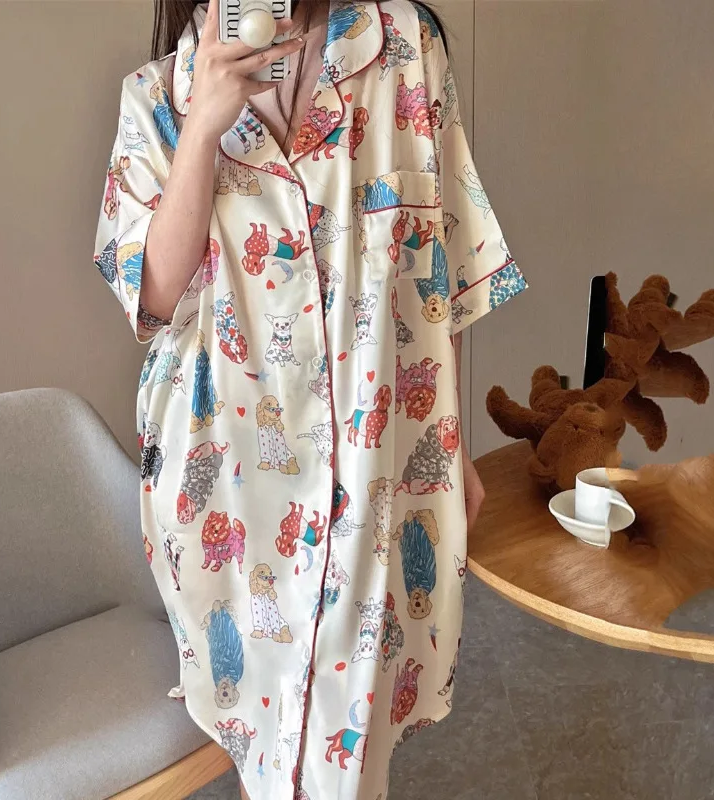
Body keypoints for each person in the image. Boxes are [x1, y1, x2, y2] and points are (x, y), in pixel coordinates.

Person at [92, 1, 527, 798]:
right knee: (272, 738)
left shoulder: (403, 47)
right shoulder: (155, 95)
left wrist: (450, 442)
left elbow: (441, 259)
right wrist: (203, 127)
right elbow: (151, 298)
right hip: (223, 474)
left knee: (343, 741)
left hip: (374, 450)